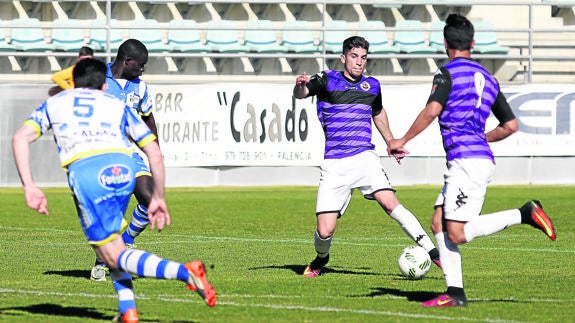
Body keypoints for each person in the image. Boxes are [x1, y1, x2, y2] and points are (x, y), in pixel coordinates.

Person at [12, 58, 216, 322]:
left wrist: (30, 187)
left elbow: (20, 138)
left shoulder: (56, 103)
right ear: (104, 86)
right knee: (115, 244)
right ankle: (127, 310)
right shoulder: (116, 105)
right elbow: (153, 150)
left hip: (88, 172)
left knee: (113, 254)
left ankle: (185, 272)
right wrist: (159, 196)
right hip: (123, 168)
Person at [387, 13, 556, 307]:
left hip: (466, 162)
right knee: (439, 222)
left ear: (445, 43)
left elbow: (432, 110)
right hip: (477, 157)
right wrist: (482, 138)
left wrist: (401, 140)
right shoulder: (489, 79)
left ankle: (525, 213)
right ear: (473, 43)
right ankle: (455, 293)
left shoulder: (446, 73)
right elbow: (511, 125)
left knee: (457, 232)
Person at [293, 36, 441, 278]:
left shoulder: (372, 85)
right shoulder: (328, 80)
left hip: (365, 158)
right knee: (325, 231)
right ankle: (321, 259)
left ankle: (434, 254)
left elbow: (378, 111)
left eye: (363, 57)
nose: (359, 62)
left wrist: (391, 141)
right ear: (343, 58)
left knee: (390, 202)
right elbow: (302, 93)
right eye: (354, 57)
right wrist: (300, 85)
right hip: (335, 164)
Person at [90, 39, 158, 281]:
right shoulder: (98, 79)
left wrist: (154, 150)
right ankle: (101, 261)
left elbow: (149, 120)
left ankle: (127, 241)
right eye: (140, 66)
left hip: (130, 152)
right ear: (127, 61)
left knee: (151, 201)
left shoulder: (141, 88)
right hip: (103, 155)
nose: (142, 70)